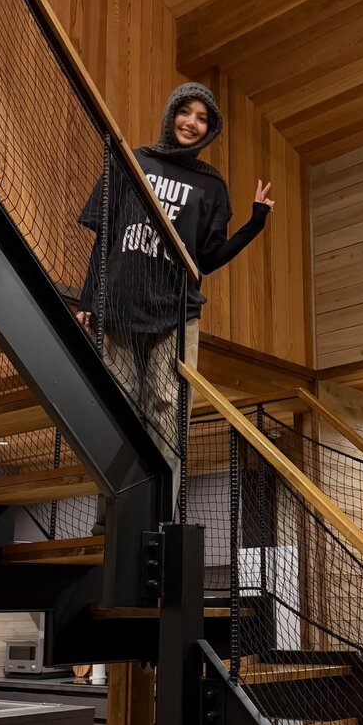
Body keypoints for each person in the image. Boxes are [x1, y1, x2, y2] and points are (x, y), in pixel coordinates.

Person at [77, 81, 274, 527]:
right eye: (185, 112)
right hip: (120, 307)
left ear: (210, 129)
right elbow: (105, 235)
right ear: (171, 114)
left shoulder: (211, 186)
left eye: (202, 118)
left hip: (175, 313)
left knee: (169, 418)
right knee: (116, 412)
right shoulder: (133, 161)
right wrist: (90, 298)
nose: (191, 123)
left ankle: (158, 521)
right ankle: (110, 520)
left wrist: (254, 225)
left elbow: (207, 259)